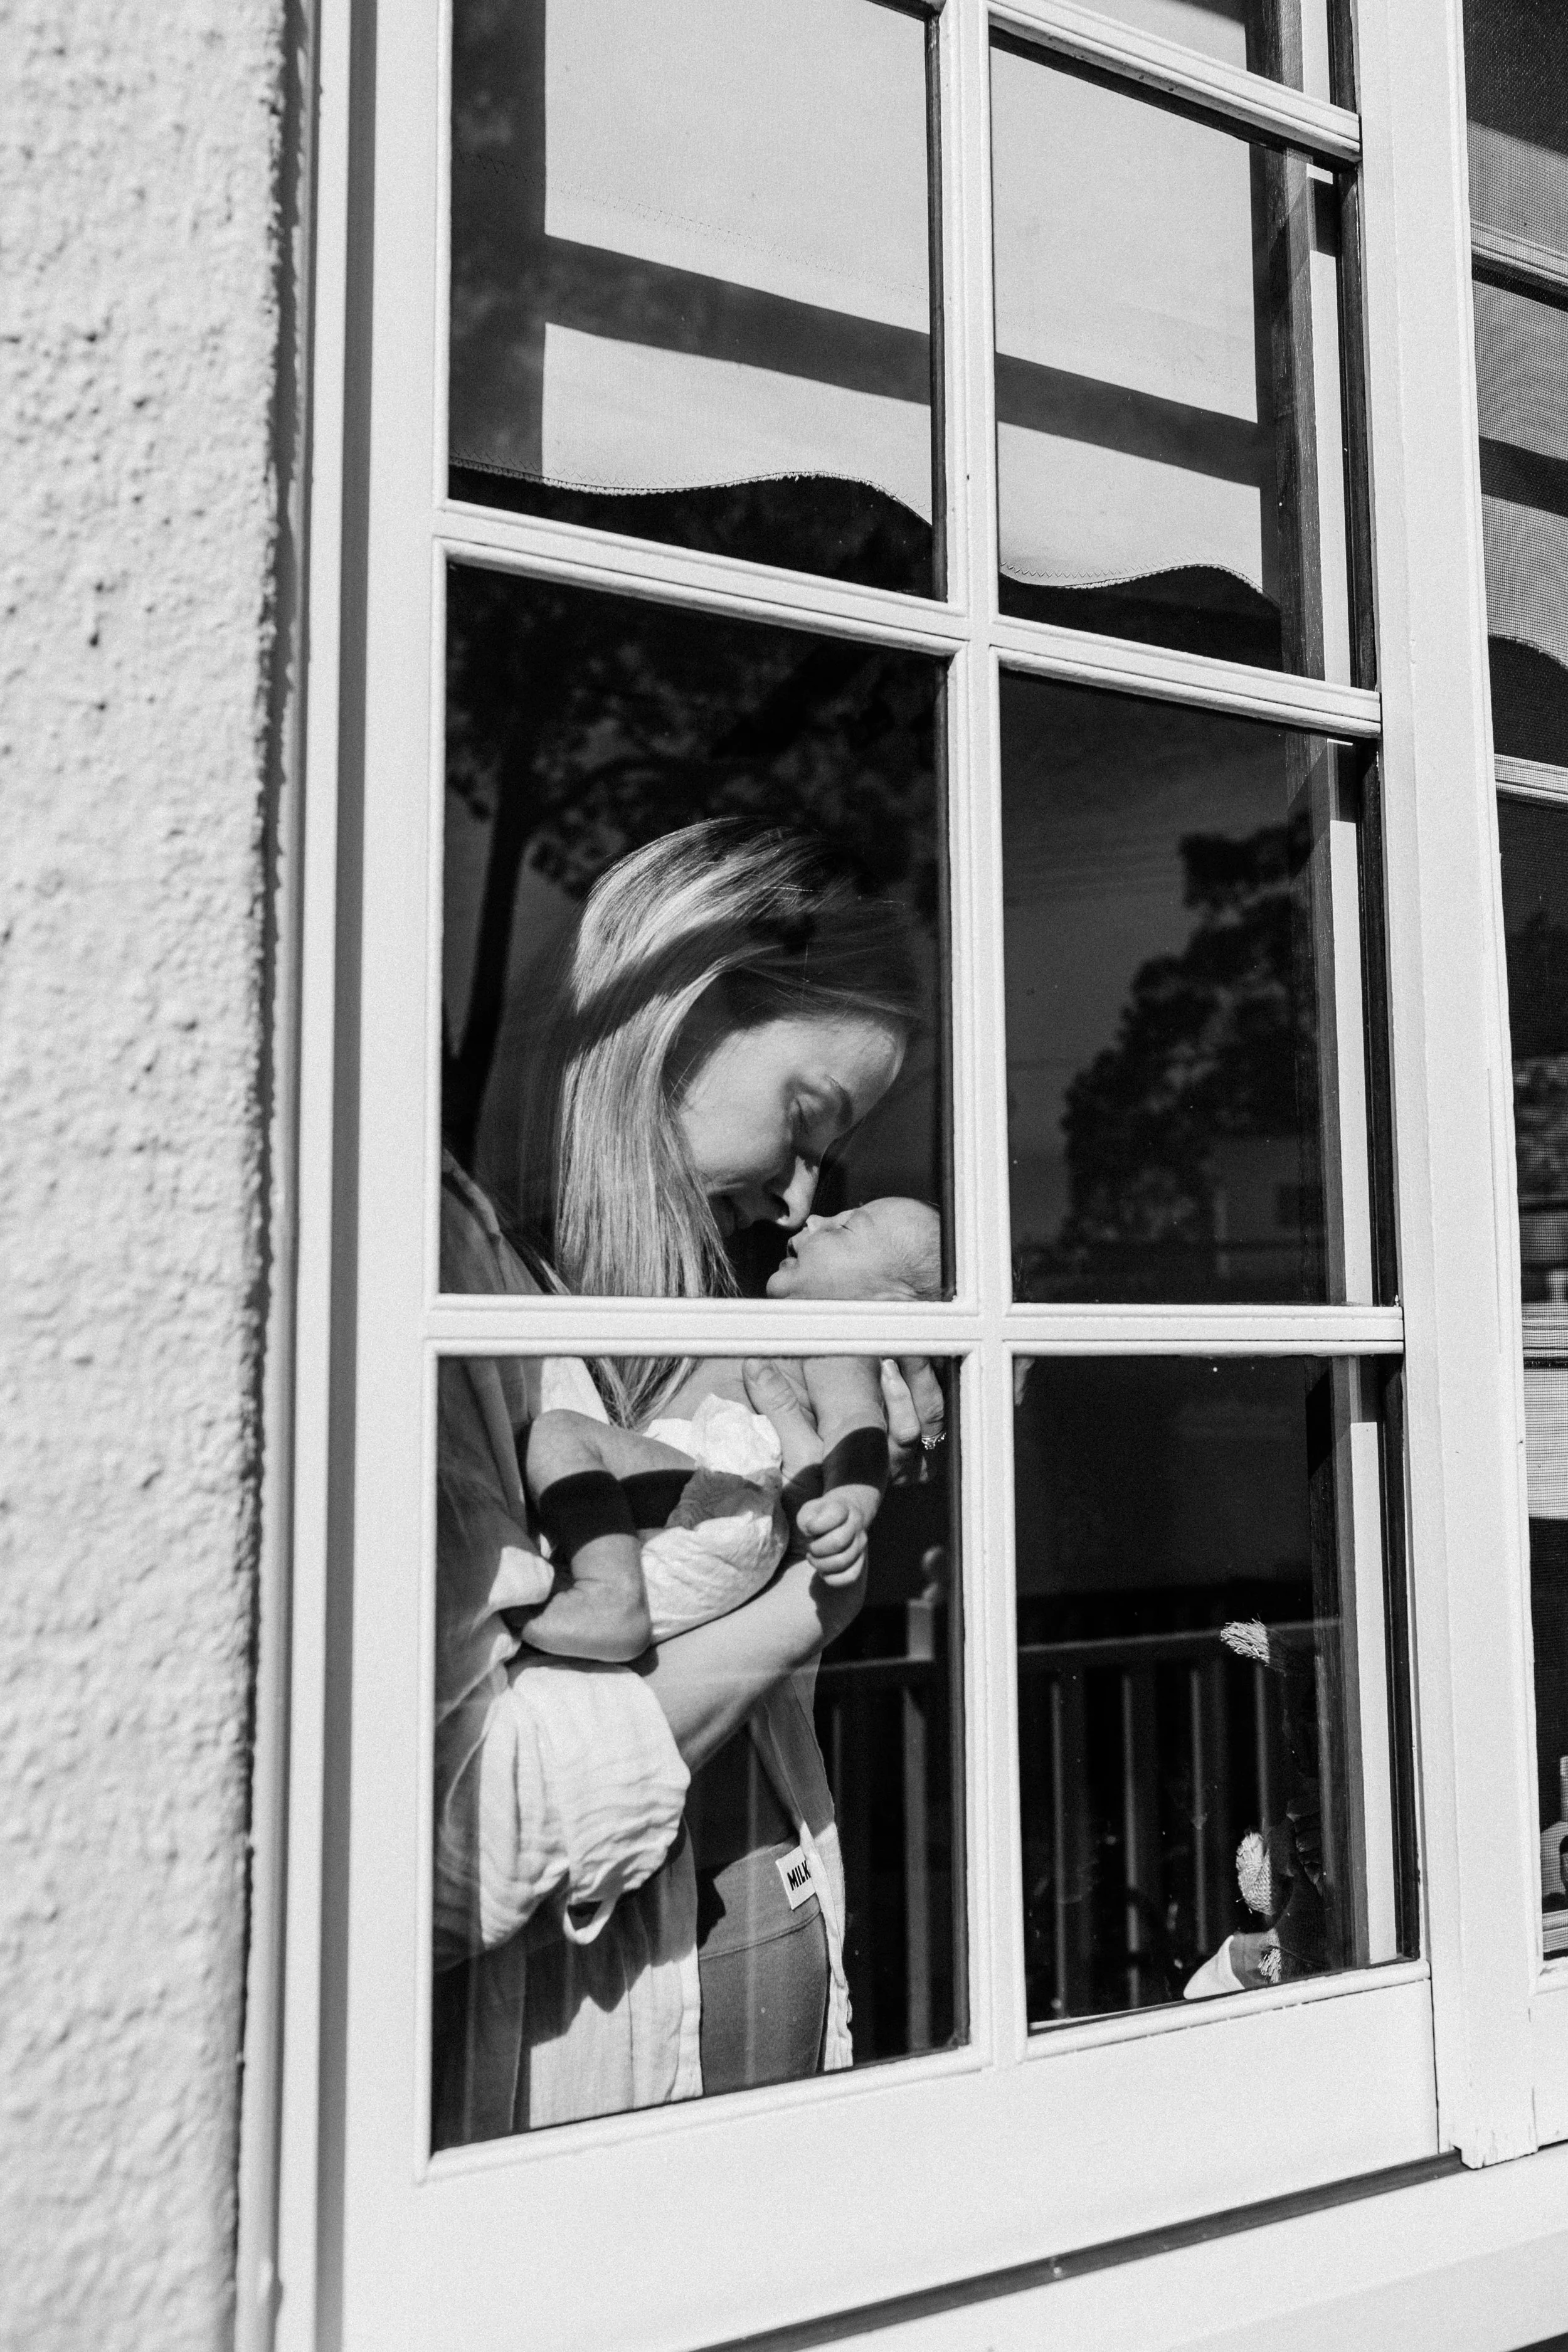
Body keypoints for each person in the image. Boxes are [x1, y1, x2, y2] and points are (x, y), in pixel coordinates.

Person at [433, 824, 946, 2141]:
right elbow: (450, 1854)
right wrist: (806, 1612)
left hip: (773, 1934)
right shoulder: (466, 1316)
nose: (799, 1190)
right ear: (684, 1002)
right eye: (805, 1117)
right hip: (579, 2067)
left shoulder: (728, 1321)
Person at [509, 1199, 946, 1663]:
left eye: (845, 1228)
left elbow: (857, 1427)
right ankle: (605, 1594)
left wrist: (850, 1504)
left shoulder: (839, 1343)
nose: (815, 1219)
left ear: (889, 1308)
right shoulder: (788, 1332)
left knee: (556, 1437)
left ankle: (612, 1595)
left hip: (729, 1492)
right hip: (709, 1505)